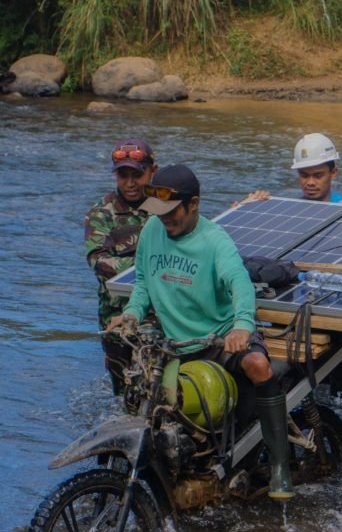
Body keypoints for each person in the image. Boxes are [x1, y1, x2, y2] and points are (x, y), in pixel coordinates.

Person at [106, 164, 295, 500]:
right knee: (146, 395)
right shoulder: (152, 230)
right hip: (174, 343)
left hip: (219, 338)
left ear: (193, 204)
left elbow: (240, 284)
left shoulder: (215, 240)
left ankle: (281, 466)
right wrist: (131, 314)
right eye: (158, 213)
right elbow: (142, 282)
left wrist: (241, 326)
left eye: (171, 211)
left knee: (258, 366)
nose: (164, 219)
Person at [243, 134, 342, 397]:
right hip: (297, 318)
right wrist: (247, 211)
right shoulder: (283, 211)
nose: (310, 182)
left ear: (334, 173)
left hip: (337, 321)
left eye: (318, 175)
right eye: (304, 175)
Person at [85, 139, 158, 395]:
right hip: (116, 318)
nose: (129, 183)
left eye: (137, 175)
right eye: (122, 175)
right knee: (124, 391)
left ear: (153, 172)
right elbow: (99, 260)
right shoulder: (101, 214)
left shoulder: (167, 208)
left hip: (160, 315)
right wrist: (154, 265)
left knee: (155, 383)